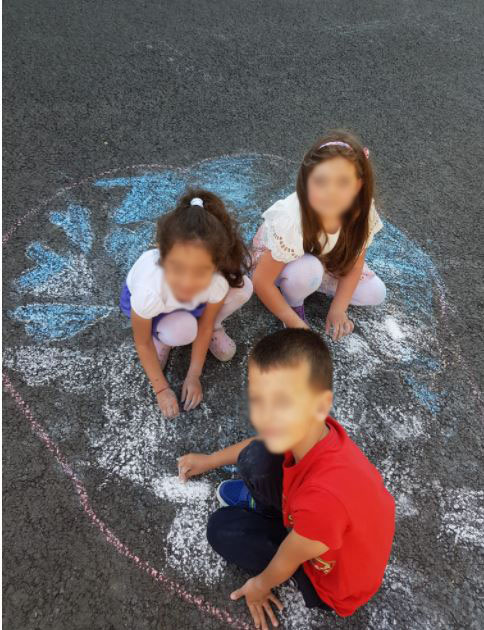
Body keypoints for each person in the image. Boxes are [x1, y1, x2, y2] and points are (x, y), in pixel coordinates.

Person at [178, 329, 395, 628]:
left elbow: (287, 560)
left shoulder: (324, 502)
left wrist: (259, 586)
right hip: (324, 528)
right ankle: (277, 509)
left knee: (221, 528)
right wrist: (209, 460)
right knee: (259, 456)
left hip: (331, 584)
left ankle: (276, 515)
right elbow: (262, 442)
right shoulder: (313, 429)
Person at [119, 189, 253, 418]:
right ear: (161, 254)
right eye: (178, 267)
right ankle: (162, 338)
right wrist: (161, 389)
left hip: (188, 306)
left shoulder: (216, 283)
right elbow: (141, 342)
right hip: (157, 311)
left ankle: (212, 329)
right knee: (183, 329)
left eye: (200, 271)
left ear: (216, 265)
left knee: (243, 287)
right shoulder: (150, 291)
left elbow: (205, 325)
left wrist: (194, 375)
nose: (187, 282)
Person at [251, 130, 386, 341]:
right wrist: (294, 323)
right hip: (284, 263)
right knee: (307, 271)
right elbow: (261, 280)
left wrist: (338, 308)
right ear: (306, 181)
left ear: (358, 185)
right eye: (321, 181)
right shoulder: (292, 219)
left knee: (375, 293)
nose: (330, 193)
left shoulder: (362, 210)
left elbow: (355, 264)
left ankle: (314, 283)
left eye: (343, 182)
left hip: (325, 258)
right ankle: (293, 303)